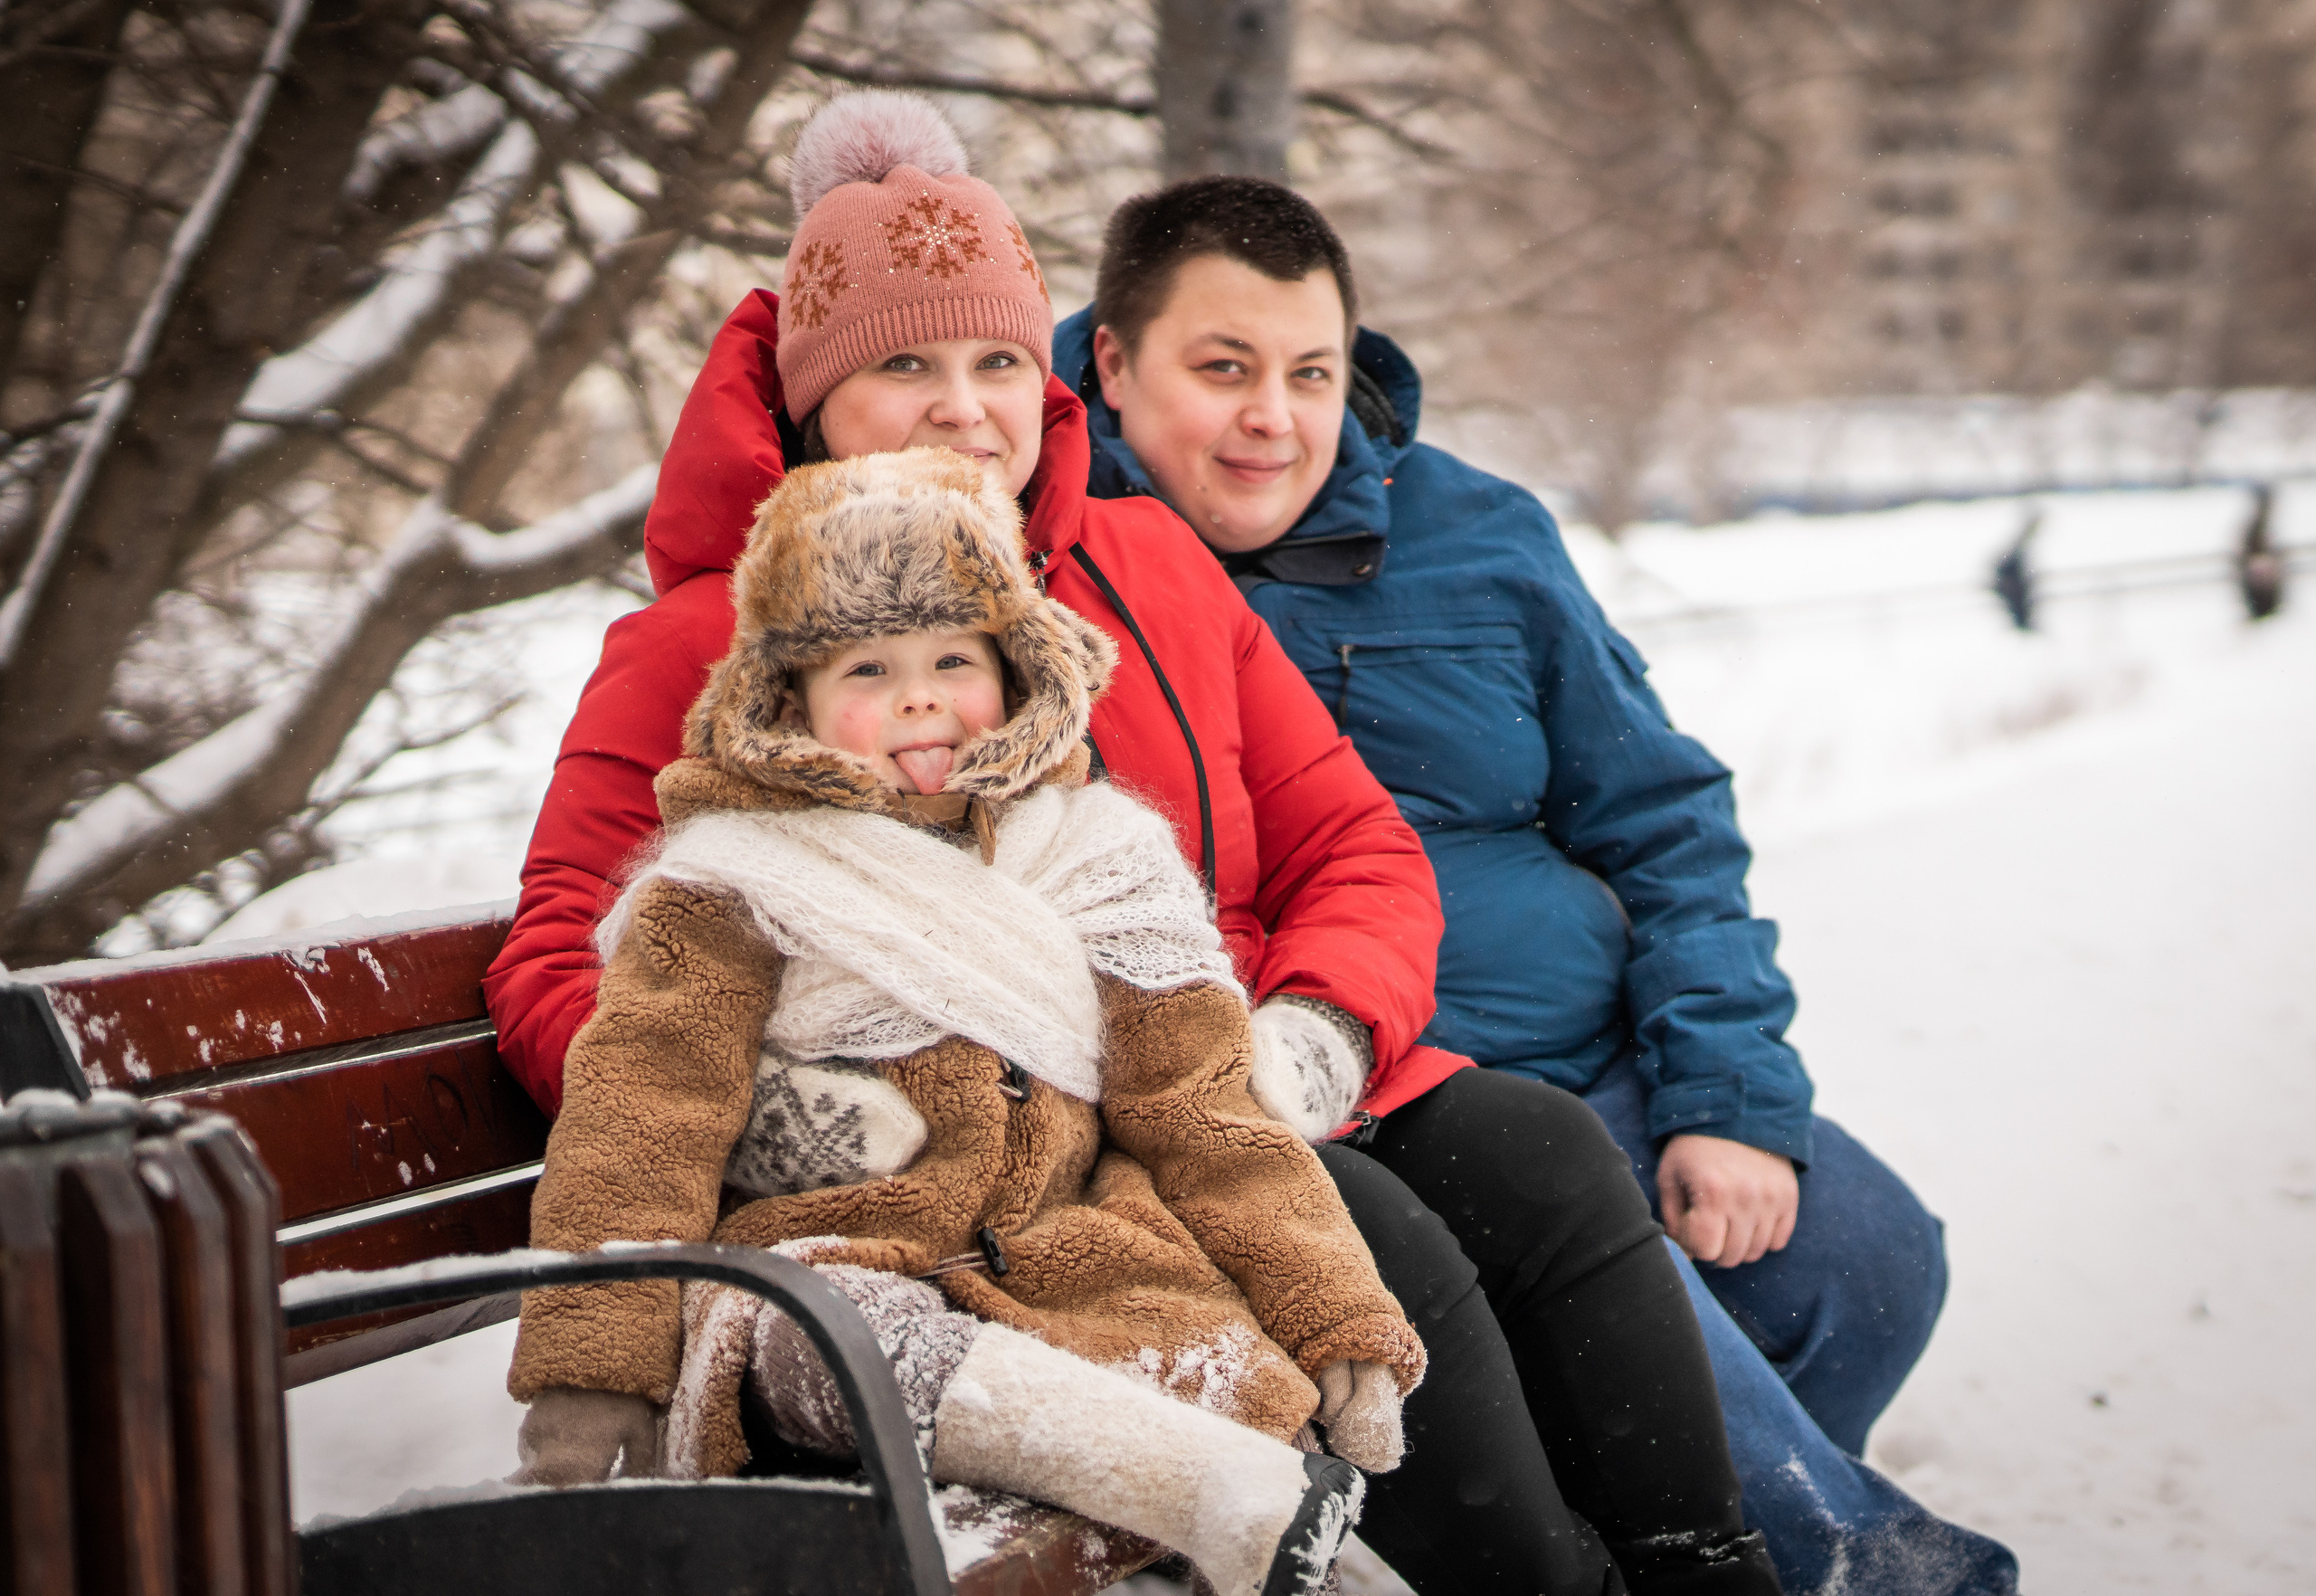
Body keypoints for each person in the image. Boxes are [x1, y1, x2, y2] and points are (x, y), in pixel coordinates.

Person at [485, 92, 1779, 1595]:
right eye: (902, 366)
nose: (963, 409)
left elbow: (1356, 843)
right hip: (1013, 1163)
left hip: (1223, 1072)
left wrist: (1318, 1034)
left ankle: (1709, 1565)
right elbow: (556, 943)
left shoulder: (1145, 561)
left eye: (993, 361)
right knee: (1367, 1236)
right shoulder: (705, 640)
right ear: (813, 399)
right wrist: (774, 1114)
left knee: (1539, 1152)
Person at [1053, 175, 2021, 1594]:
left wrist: (1724, 1094)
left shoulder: (1481, 536)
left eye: (1310, 372)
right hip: (1383, 1104)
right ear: (1115, 362)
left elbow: (1664, 819)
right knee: (1673, 1358)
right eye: (1223, 368)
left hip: (1596, 1060)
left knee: (1865, 1262)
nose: (1275, 418)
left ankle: (1629, 1525)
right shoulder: (1058, 563)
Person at [505, 446, 1425, 1596]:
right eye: (867, 668)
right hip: (842, 1270)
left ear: (1017, 669)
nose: (919, 697)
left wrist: (1336, 1315)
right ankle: (1192, 1482)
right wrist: (592, 1372)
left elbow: (1204, 1114)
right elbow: (638, 1130)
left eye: (953, 658)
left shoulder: (1105, 861)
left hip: (1077, 1266)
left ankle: (1273, 1527)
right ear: (788, 699)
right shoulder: (730, 885)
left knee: (1214, 1350)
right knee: (825, 1329)